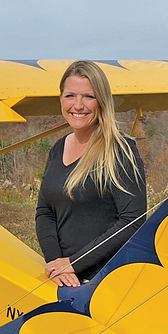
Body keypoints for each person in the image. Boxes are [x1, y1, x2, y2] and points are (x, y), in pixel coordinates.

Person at [35, 60, 146, 287]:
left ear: (102, 101)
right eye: (70, 96)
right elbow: (45, 211)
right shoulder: (58, 148)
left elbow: (133, 220)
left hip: (106, 280)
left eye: (88, 96)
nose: (78, 105)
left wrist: (74, 263)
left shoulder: (120, 150)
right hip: (65, 279)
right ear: (61, 99)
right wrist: (57, 263)